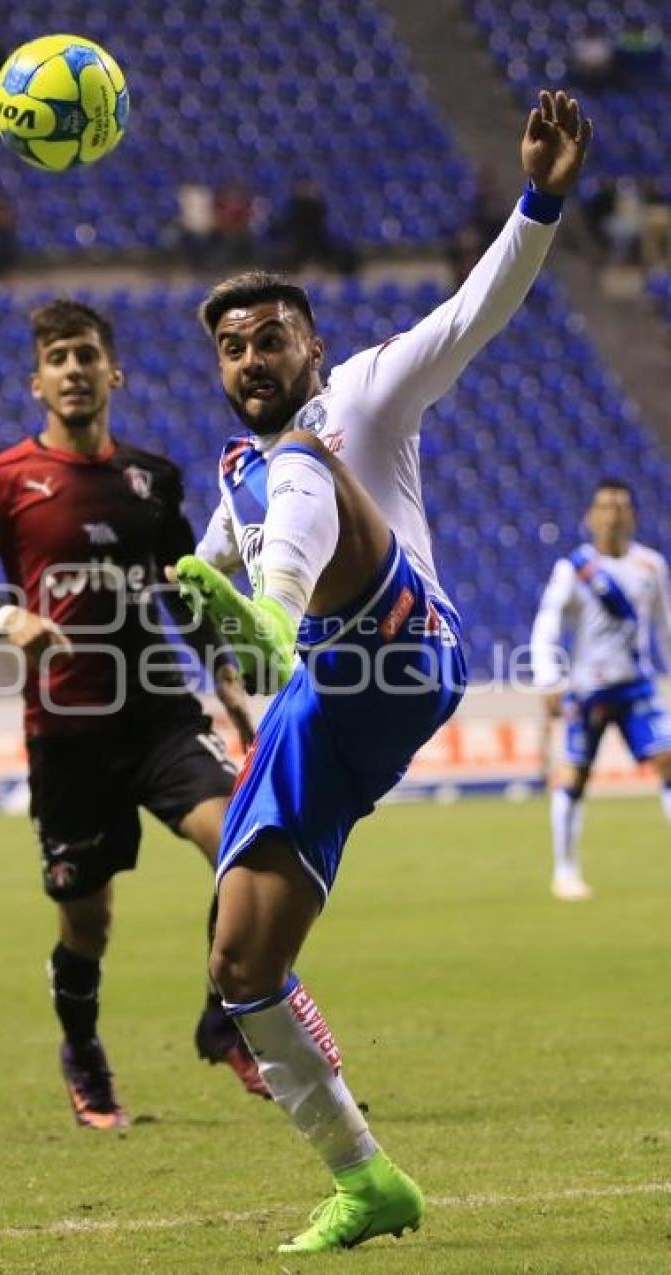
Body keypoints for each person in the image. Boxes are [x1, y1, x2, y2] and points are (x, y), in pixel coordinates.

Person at [170, 90, 591, 1253]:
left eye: (271, 338)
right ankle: (366, 1181)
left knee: (288, 465)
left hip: (408, 647)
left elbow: (477, 310)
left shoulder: (354, 396)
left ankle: (271, 622)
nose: (253, 357)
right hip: (323, 703)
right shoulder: (240, 477)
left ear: (311, 342)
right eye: (233, 346)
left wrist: (541, 196)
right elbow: (194, 569)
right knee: (241, 960)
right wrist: (157, 601)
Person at [0, 298, 266, 1131]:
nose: (74, 370)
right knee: (89, 919)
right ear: (37, 381)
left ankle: (225, 1019)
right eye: (58, 358)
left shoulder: (152, 478)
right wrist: (8, 616)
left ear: (112, 372)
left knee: (249, 849)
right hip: (68, 730)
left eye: (87, 355)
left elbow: (184, 589)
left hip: (157, 711)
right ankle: (82, 1050)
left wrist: (224, 673)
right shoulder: (4, 480)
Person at [531, 480, 671, 901]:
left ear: (632, 515)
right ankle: (566, 872)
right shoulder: (573, 569)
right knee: (575, 774)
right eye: (606, 506)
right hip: (587, 689)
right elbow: (547, 626)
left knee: (667, 761)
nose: (614, 514)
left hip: (636, 684)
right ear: (591, 516)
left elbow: (664, 629)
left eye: (622, 506)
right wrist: (547, 677)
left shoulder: (651, 566)